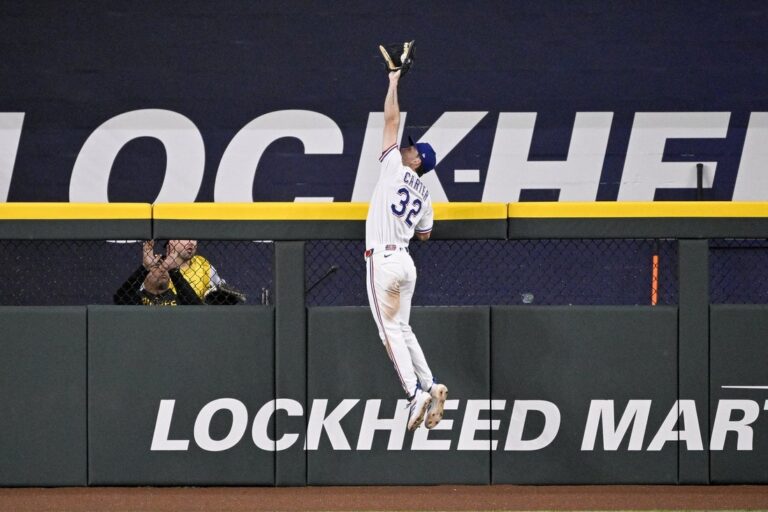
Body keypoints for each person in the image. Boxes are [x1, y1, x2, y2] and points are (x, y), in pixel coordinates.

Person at [364, 69, 448, 432]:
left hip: (382, 260)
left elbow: (391, 118)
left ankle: (414, 393)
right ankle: (430, 383)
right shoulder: (427, 195)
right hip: (407, 263)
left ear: (417, 162)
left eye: (413, 149)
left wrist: (393, 82)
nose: (407, 147)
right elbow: (426, 234)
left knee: (389, 333)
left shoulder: (394, 165)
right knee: (404, 328)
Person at [114, 241, 202, 305]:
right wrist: (144, 267)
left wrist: (172, 270)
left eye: (165, 267)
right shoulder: (138, 299)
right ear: (145, 275)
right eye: (156, 266)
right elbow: (120, 297)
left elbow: (196, 306)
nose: (162, 270)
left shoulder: (179, 299)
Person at [164, 239, 244, 304]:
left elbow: (221, 288)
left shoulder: (202, 264)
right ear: (172, 241)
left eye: (193, 238)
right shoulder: (159, 267)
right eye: (186, 238)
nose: (191, 242)